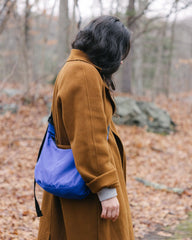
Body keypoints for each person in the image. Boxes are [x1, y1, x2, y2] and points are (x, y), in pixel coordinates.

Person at [37, 15, 135, 240]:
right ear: (108, 47)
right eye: (120, 54)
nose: (121, 62)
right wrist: (106, 190)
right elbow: (89, 138)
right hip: (88, 193)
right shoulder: (84, 73)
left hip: (80, 186)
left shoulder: (75, 68)